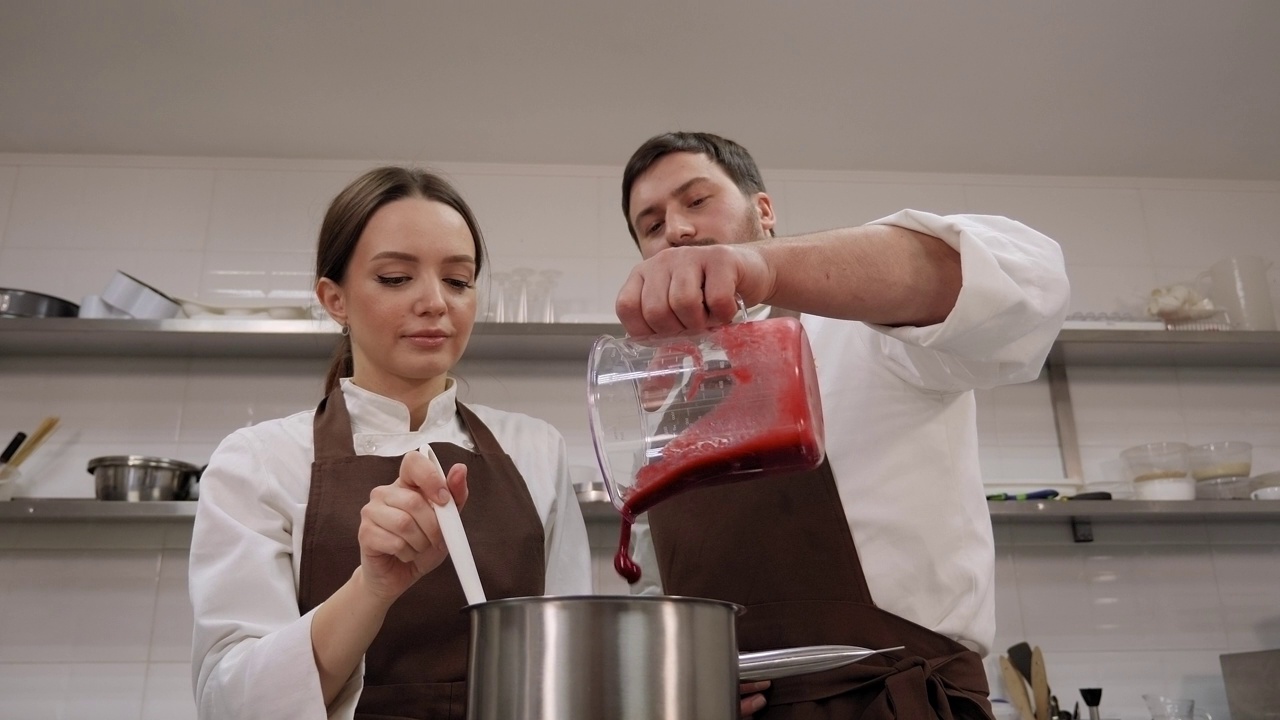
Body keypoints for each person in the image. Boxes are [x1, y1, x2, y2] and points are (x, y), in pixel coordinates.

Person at [615, 132, 1070, 719]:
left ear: (764, 211)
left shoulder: (867, 326)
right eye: (651, 225)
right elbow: (656, 591)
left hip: (889, 702)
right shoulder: (662, 405)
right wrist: (679, 673)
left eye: (696, 201)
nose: (675, 230)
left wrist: (760, 270)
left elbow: (1027, 283)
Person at [189, 166, 592, 720]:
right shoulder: (259, 461)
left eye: (458, 280)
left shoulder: (535, 449)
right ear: (335, 299)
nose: (435, 303)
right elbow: (230, 701)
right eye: (397, 278)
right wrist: (372, 587)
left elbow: (573, 661)